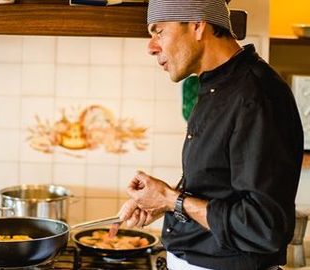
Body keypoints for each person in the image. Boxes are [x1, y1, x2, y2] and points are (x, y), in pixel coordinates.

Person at [115, 0, 304, 269]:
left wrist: (172, 200)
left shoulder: (257, 95)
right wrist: (162, 202)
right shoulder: (216, 85)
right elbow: (218, 187)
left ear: (196, 25)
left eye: (159, 31)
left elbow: (263, 226)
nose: (151, 46)